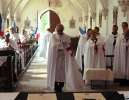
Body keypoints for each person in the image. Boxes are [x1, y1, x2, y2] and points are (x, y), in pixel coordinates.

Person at [47, 24, 84, 92]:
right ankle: (55, 85)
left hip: (64, 57)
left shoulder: (66, 36)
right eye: (58, 30)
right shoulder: (53, 36)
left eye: (60, 30)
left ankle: (61, 85)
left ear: (62, 30)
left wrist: (70, 51)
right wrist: (62, 44)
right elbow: (53, 46)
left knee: (63, 72)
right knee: (55, 72)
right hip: (55, 57)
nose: (59, 32)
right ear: (56, 30)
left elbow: (68, 46)